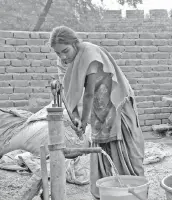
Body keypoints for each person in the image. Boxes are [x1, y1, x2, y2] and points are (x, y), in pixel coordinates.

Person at [49, 26, 145, 199]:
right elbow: (68, 91)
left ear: (75, 43)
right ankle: (106, 192)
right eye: (58, 53)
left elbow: (88, 93)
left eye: (65, 51)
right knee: (100, 145)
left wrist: (83, 122)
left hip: (116, 104)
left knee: (125, 149)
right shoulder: (66, 61)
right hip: (99, 106)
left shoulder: (89, 53)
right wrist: (76, 118)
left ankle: (132, 191)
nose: (63, 57)